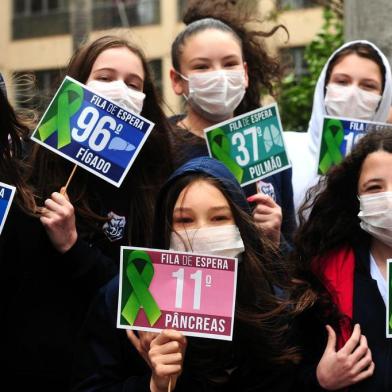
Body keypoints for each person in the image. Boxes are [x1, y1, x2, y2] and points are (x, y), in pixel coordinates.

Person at [0, 35, 173, 391]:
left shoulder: (151, 185)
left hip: (103, 373)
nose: (119, 90)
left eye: (133, 83)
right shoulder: (28, 170)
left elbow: (141, 297)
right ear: (77, 85)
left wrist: (74, 248)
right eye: (106, 77)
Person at [71, 156, 298, 391]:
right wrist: (153, 386)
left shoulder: (270, 299)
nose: (202, 231)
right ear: (165, 227)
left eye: (219, 218)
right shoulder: (130, 295)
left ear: (240, 223)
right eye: (185, 220)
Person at [168, 1, 296, 245]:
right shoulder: (160, 144)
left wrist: (275, 238)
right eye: (202, 67)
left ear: (245, 74)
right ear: (177, 80)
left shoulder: (266, 142)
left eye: (229, 64)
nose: (219, 75)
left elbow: (293, 254)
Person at [291, 129, 392, 391]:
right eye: (374, 188)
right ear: (355, 198)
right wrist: (321, 379)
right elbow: (288, 371)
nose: (389, 197)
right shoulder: (321, 278)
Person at [284, 40, 392, 214]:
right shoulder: (286, 149)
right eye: (342, 82)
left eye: (368, 86)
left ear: (384, 97)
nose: (352, 93)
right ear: (324, 87)